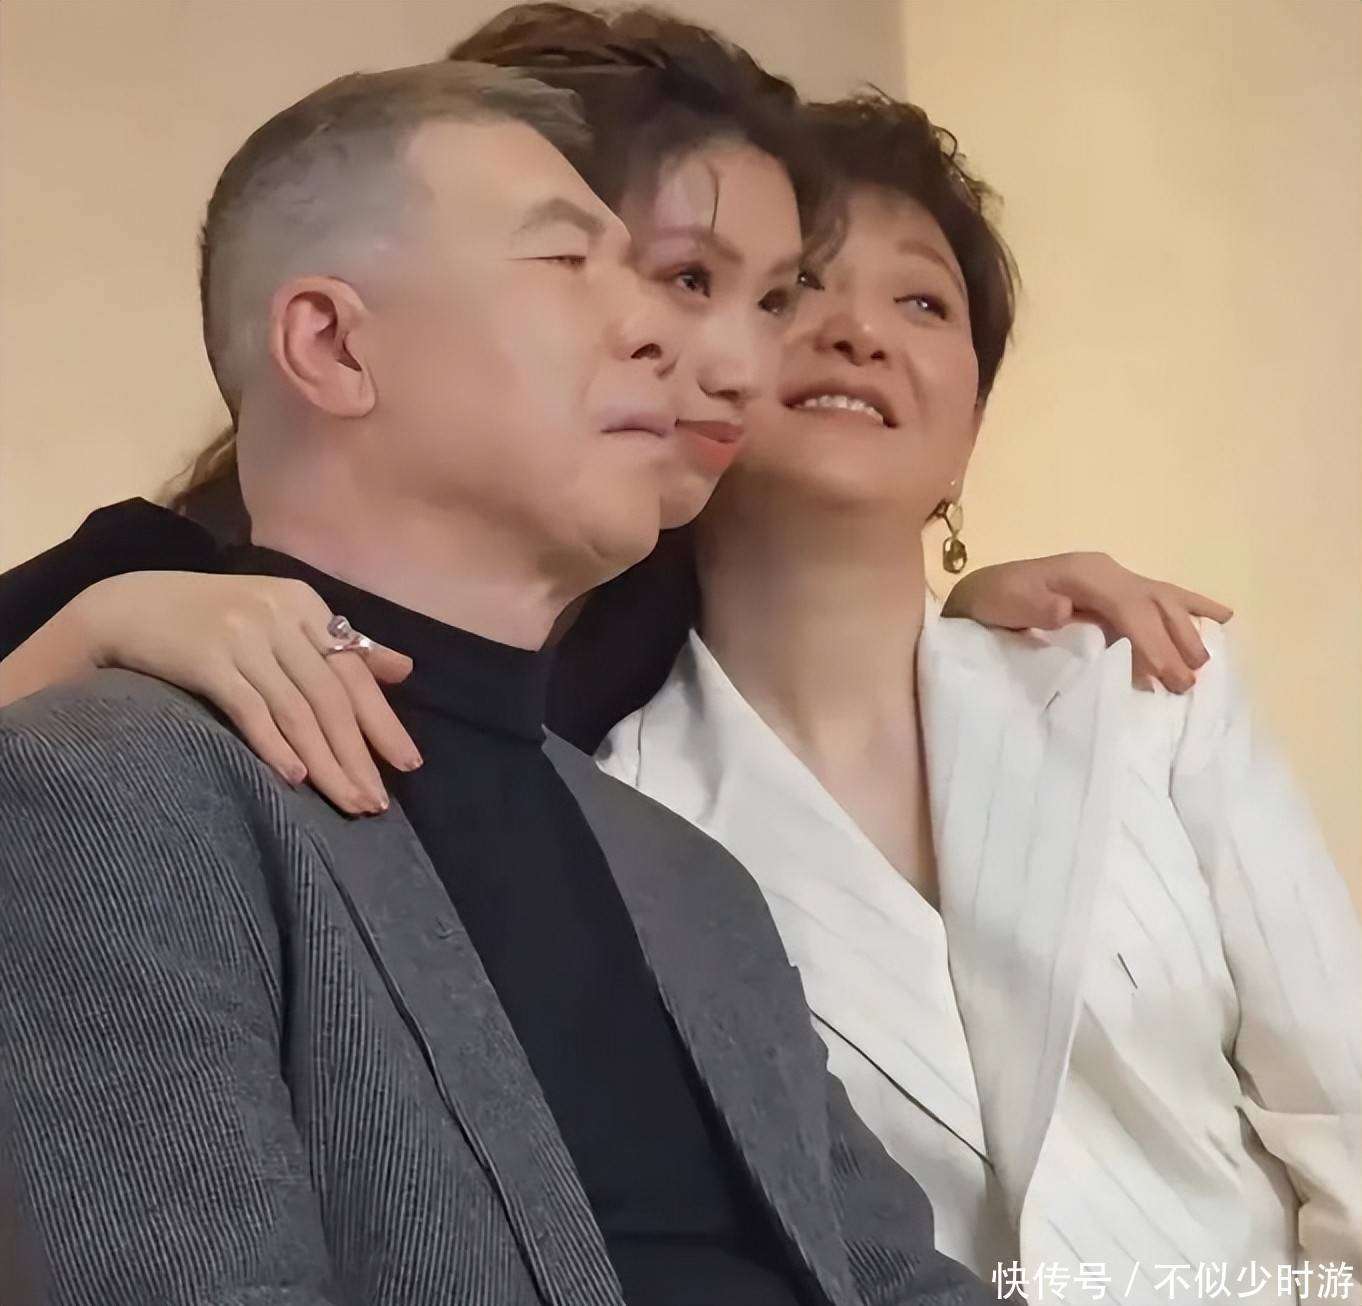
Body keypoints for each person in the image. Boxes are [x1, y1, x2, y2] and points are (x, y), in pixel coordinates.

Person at [7, 4, 1348, 1298]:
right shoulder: (131, 747)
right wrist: (99, 624)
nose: (700, 351)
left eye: (760, 298)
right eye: (618, 270)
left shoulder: (681, 868)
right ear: (335, 340)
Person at [0, 51, 990, 1306]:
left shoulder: (693, 882)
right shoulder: (116, 785)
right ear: (332, 345)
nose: (669, 338)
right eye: (570, 259)